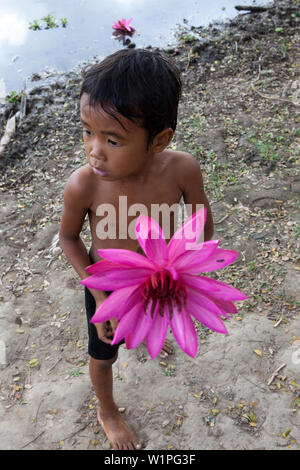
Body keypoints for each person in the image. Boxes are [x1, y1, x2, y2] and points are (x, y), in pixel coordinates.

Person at [59, 48, 214, 450]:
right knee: (103, 354)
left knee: (145, 334)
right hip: (106, 287)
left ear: (159, 140)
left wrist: (192, 270)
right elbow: (69, 238)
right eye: (87, 131)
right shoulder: (85, 184)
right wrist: (96, 293)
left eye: (112, 139)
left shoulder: (183, 170)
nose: (94, 150)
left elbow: (201, 227)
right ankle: (107, 410)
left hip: (161, 281)